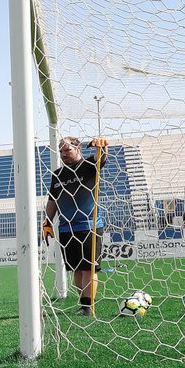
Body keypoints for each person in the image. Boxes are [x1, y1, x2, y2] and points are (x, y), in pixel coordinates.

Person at [42, 135, 110, 316]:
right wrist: (47, 221)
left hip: (89, 226)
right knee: (77, 270)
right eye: (62, 151)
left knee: (89, 268)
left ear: (78, 149)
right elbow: (52, 200)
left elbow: (101, 158)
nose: (64, 154)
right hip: (66, 229)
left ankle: (88, 307)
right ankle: (83, 305)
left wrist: (101, 147)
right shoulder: (57, 175)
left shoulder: (88, 166)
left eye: (68, 150)